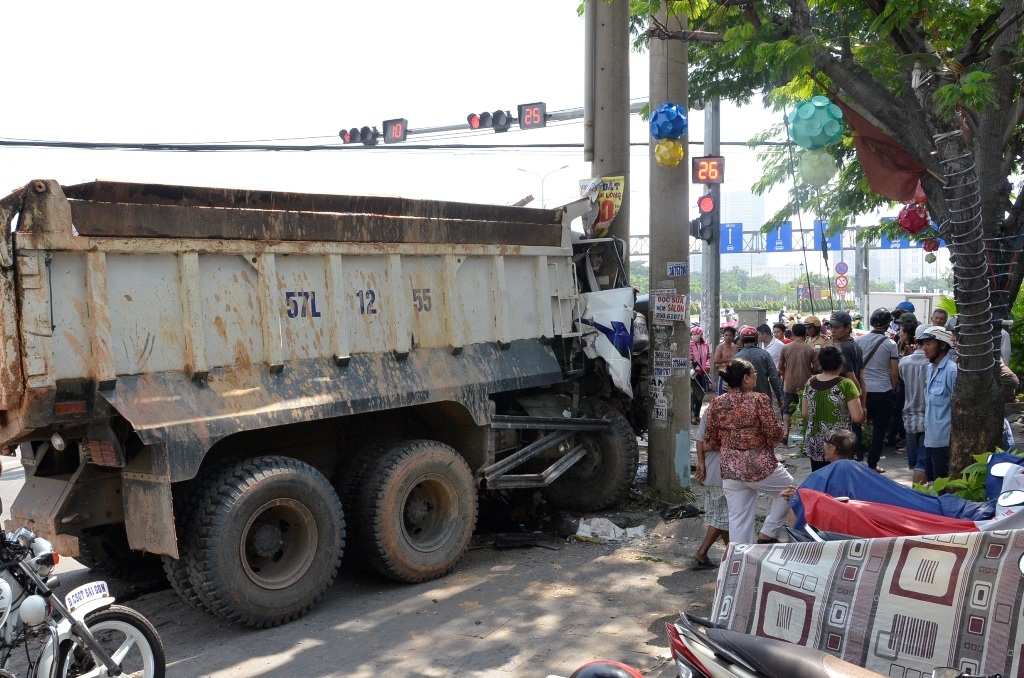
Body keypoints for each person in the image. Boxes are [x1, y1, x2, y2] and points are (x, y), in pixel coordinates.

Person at [703, 359, 792, 545]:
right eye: (754, 375)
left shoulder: (716, 403)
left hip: (730, 469)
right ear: (745, 378)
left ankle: (738, 566)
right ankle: (768, 533)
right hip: (759, 467)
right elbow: (775, 434)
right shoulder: (759, 399)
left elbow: (711, 439)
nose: (756, 378)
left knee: (738, 520)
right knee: (790, 491)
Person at [801, 345, 864, 471]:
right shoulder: (846, 384)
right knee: (839, 478)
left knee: (820, 478)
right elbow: (857, 417)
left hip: (816, 442)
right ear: (841, 364)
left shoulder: (810, 383)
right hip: (839, 444)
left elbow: (805, 413)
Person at [854, 308, 900, 473]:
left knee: (857, 425)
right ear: (888, 325)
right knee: (879, 430)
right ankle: (872, 464)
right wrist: (893, 389)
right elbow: (894, 373)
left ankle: (858, 460)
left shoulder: (858, 342)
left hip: (861, 391)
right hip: (883, 392)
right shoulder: (890, 344)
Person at [916, 325, 958, 483]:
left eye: (929, 344)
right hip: (930, 438)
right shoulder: (929, 369)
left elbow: (957, 409)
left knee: (942, 486)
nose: (924, 348)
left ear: (942, 345)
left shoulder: (952, 371)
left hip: (944, 442)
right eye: (924, 344)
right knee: (932, 484)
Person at [691, 413, 729, 569]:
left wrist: (701, 462)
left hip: (712, 472)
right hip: (719, 474)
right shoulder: (729, 413)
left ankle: (733, 554)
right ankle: (702, 552)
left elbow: (700, 441)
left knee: (722, 515)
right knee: (723, 518)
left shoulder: (711, 411)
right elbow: (706, 443)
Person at [781, 429, 859, 501]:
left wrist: (795, 497)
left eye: (825, 441)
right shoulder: (866, 473)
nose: (823, 445)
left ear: (833, 449)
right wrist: (799, 494)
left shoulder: (820, 476)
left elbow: (806, 504)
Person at [898, 323, 930, 473]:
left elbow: (901, 383)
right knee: (923, 465)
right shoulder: (933, 365)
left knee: (914, 465)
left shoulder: (903, 363)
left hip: (909, 417)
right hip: (929, 419)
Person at [778, 323, 814, 446]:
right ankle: (806, 436)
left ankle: (786, 432)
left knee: (787, 410)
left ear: (792, 334)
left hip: (789, 384)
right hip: (806, 384)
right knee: (807, 411)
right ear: (805, 334)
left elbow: (780, 367)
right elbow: (818, 368)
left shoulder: (786, 348)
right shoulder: (811, 349)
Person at [735, 325, 784, 412]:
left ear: (742, 340)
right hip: (763, 396)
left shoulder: (737, 357)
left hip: (742, 398)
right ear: (756, 340)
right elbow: (774, 377)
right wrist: (780, 397)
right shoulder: (764, 355)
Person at [690, 326, 712, 424]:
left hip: (702, 373)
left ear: (700, 335)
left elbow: (708, 358)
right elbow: (690, 358)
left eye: (696, 334)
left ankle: (697, 415)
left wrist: (706, 367)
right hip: (693, 374)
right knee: (693, 395)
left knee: (701, 395)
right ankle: (692, 415)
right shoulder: (690, 345)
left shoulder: (705, 345)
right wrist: (693, 366)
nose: (694, 336)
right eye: (692, 334)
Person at [713, 325, 739, 394]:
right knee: (721, 396)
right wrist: (730, 360)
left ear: (734, 336)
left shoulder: (736, 347)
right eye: (726, 335)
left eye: (730, 335)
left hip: (734, 375)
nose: (728, 337)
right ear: (723, 336)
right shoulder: (720, 347)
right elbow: (716, 360)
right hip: (723, 374)